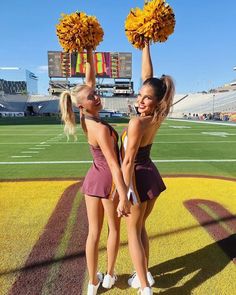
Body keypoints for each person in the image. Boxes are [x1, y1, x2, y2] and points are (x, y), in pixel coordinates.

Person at [59, 47, 130, 295]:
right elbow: (114, 164)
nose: (97, 97)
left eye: (97, 94)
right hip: (108, 183)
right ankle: (109, 276)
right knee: (113, 229)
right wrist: (123, 195)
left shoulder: (85, 119)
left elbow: (88, 81)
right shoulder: (99, 128)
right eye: (92, 97)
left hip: (91, 181)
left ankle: (92, 283)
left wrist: (89, 50)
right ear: (81, 105)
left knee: (93, 233)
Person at [120, 42, 175, 295]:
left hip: (136, 180)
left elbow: (128, 161)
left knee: (133, 233)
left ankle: (144, 287)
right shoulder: (158, 115)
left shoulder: (136, 123)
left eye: (147, 98)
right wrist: (146, 46)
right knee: (141, 228)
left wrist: (123, 194)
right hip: (151, 176)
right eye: (140, 95)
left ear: (156, 102)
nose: (140, 100)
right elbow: (147, 77)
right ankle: (145, 274)